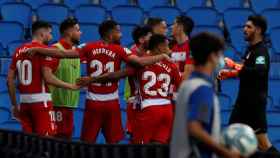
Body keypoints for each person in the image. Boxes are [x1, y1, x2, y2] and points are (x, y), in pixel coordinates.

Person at [28, 20, 170, 143]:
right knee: (113, 143)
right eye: (118, 32)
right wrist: (162, 56)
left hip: (93, 103)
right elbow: (139, 62)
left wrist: (39, 49)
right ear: (110, 34)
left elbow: (63, 53)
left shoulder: (88, 47)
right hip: (111, 103)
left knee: (86, 143)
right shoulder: (121, 50)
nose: (121, 35)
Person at [78, 34, 182, 144]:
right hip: (167, 109)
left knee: (140, 148)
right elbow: (181, 86)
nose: (169, 50)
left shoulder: (139, 63)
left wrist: (92, 79)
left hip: (148, 109)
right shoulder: (172, 65)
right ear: (159, 47)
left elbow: (114, 75)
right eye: (167, 46)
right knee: (158, 148)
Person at [171, 32, 240, 158]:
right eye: (219, 54)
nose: (221, 58)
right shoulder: (202, 89)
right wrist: (226, 153)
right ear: (212, 56)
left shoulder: (187, 85)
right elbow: (195, 128)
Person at [6, 21, 79, 136]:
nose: (51, 37)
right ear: (42, 34)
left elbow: (9, 80)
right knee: (46, 142)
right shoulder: (44, 51)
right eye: (49, 33)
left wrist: (15, 105)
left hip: (24, 102)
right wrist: (71, 86)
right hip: (41, 102)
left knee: (29, 144)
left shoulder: (18, 51)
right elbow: (48, 78)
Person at [219, 15, 279, 153]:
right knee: (230, 140)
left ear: (258, 30)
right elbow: (248, 71)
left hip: (254, 105)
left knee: (263, 145)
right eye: (245, 26)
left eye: (248, 27)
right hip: (243, 103)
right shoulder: (250, 50)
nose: (244, 29)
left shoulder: (261, 51)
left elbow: (259, 71)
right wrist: (231, 73)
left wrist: (234, 66)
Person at [50, 17, 82, 139]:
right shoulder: (54, 50)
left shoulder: (76, 51)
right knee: (58, 140)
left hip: (70, 105)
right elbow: (48, 77)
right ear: (69, 32)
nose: (81, 32)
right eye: (78, 30)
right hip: (57, 105)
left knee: (66, 139)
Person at [124, 25, 152, 138]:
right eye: (150, 37)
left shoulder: (149, 53)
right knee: (137, 139)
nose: (153, 40)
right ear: (141, 40)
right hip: (136, 103)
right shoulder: (132, 54)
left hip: (147, 102)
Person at [171, 15, 194, 80]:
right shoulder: (173, 47)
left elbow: (188, 75)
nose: (171, 27)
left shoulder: (192, 47)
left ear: (180, 27)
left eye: (174, 24)